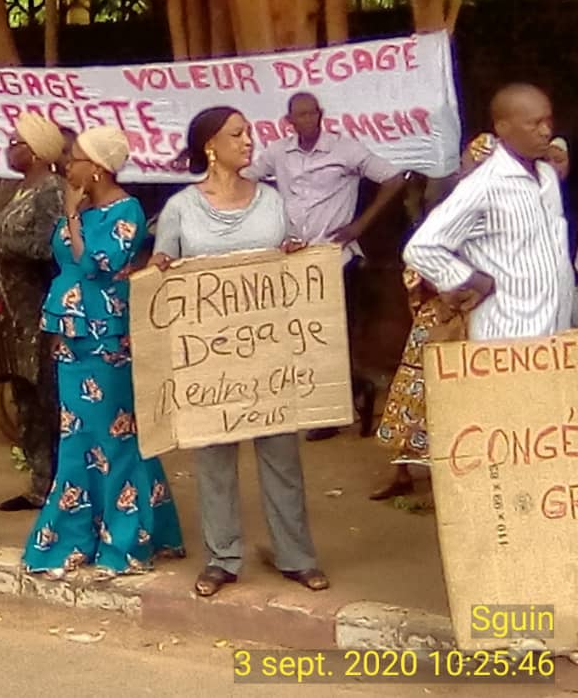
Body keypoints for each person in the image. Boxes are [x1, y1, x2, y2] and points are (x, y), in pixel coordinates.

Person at [149, 107, 327, 594]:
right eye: (237, 134)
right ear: (210, 145)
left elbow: (290, 254)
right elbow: (163, 271)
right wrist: (161, 267)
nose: (249, 141)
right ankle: (222, 558)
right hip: (209, 360)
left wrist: (294, 253)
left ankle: (296, 555)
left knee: (282, 457)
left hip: (268, 355)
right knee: (214, 459)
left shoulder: (270, 199)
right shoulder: (182, 208)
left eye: (249, 131)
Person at [21, 125, 184, 577]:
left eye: (74, 159)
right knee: (78, 439)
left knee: (115, 438)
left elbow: (98, 263)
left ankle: (126, 543)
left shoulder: (126, 209)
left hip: (108, 338)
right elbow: (66, 263)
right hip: (71, 335)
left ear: (96, 167)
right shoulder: (85, 207)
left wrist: (72, 217)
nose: (66, 166)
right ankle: (77, 539)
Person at [372, 131, 570, 502]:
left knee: (482, 404)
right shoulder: (457, 206)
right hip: (442, 318)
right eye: (468, 166)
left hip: (490, 324)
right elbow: (420, 261)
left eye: (476, 165)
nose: (470, 172)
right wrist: (445, 290)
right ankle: (402, 471)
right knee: (417, 390)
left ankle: (477, 481)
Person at [244, 92, 406, 441]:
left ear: (321, 115)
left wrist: (360, 226)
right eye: (298, 115)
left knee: (331, 334)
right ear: (289, 121)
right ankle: (350, 391)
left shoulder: (345, 149)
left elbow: (394, 179)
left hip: (335, 257)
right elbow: (246, 179)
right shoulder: (277, 153)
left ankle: (336, 408)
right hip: (294, 259)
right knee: (304, 334)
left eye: (310, 113)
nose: (305, 120)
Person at [404, 84, 572, 343]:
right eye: (534, 124)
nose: (546, 131)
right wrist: (470, 280)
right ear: (503, 128)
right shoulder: (484, 184)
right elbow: (421, 247)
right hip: (506, 338)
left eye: (548, 121)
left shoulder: (547, 176)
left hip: (555, 334)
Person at [0, 113, 64, 511]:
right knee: (25, 402)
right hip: (10, 313)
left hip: (40, 311)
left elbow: (50, 248)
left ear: (39, 152)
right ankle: (38, 484)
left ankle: (62, 488)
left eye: (18, 143)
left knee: (50, 401)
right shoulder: (15, 191)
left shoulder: (51, 192)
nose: (10, 148)